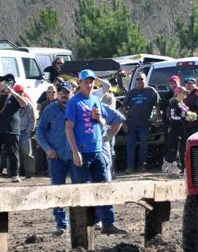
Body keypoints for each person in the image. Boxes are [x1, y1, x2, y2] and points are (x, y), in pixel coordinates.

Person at [63, 70, 125, 235]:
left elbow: (105, 122)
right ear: (80, 83)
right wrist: (75, 152)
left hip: (98, 151)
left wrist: (100, 120)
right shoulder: (74, 102)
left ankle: (109, 224)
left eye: (91, 82)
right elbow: (68, 128)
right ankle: (81, 228)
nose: (89, 85)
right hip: (82, 152)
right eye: (86, 82)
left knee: (104, 186)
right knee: (81, 190)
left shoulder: (96, 100)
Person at [37, 83, 77, 234]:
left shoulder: (78, 107)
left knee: (79, 189)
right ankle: (61, 225)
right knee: (57, 191)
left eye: (67, 91)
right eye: (60, 91)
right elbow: (39, 130)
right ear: (57, 94)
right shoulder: (50, 109)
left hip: (76, 156)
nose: (64, 94)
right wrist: (47, 148)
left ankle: (81, 222)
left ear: (72, 92)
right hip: (57, 157)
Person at [0, 74, 25, 182]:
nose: (5, 86)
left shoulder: (14, 96)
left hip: (11, 129)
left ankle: (15, 175)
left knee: (13, 154)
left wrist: (13, 92)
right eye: (2, 83)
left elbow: (24, 104)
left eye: (8, 83)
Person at [124, 71, 157, 173]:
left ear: (145, 80)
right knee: (130, 146)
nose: (139, 81)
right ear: (135, 81)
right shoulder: (130, 92)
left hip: (145, 124)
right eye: (137, 79)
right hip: (131, 123)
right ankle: (130, 167)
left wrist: (158, 119)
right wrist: (123, 121)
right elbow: (124, 107)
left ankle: (142, 165)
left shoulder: (151, 91)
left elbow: (157, 106)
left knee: (144, 145)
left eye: (141, 79)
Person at [162, 79, 187, 174]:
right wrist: (184, 117)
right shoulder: (174, 103)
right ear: (178, 93)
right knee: (173, 148)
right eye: (183, 93)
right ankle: (170, 171)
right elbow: (173, 117)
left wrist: (188, 116)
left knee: (184, 147)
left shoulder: (182, 103)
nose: (185, 94)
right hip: (174, 129)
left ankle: (182, 167)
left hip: (181, 129)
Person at [13, 84, 36, 178]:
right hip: (13, 132)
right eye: (17, 92)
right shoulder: (10, 103)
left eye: (21, 91)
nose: (19, 93)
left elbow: (32, 117)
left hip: (24, 132)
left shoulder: (28, 104)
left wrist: (29, 130)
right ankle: (14, 172)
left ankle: (29, 173)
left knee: (27, 153)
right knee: (14, 154)